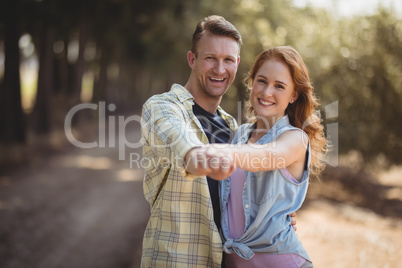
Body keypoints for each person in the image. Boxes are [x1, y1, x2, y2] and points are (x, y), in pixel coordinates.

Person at [141, 16, 296, 267]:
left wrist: (273, 217)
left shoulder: (234, 129)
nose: (220, 69)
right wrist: (199, 157)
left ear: (237, 64)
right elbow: (183, 144)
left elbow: (244, 202)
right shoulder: (162, 107)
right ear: (192, 59)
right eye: (210, 58)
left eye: (228, 60)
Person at [186, 46, 327, 267]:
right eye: (262, 81)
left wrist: (207, 151)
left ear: (293, 95)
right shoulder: (239, 135)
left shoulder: (295, 139)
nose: (267, 92)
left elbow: (265, 156)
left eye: (279, 86)